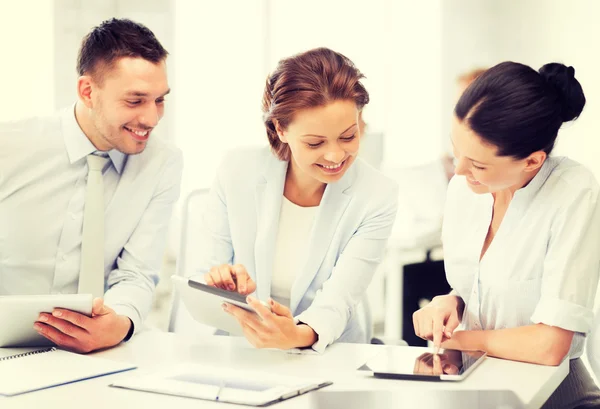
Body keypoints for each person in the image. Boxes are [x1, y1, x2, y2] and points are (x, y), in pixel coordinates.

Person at [413, 61, 600, 407]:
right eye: (457, 151)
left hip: (555, 398)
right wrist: (450, 302)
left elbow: (549, 344)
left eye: (478, 164)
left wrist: (461, 340)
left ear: (532, 161)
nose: (459, 170)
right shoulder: (464, 189)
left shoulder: (573, 192)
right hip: (472, 389)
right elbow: (483, 286)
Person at [197, 47, 398, 353]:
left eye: (348, 136)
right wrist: (224, 285)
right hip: (241, 350)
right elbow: (206, 274)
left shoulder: (377, 194)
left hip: (327, 353)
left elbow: (339, 299)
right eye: (315, 142)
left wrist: (296, 335)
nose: (335, 155)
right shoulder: (236, 171)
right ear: (281, 129)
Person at [0, 18, 182, 353]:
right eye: (135, 100)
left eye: (159, 100)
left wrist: (122, 322)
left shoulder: (162, 163)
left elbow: (137, 273)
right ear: (87, 91)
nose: (152, 118)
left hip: (95, 357)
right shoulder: (9, 147)